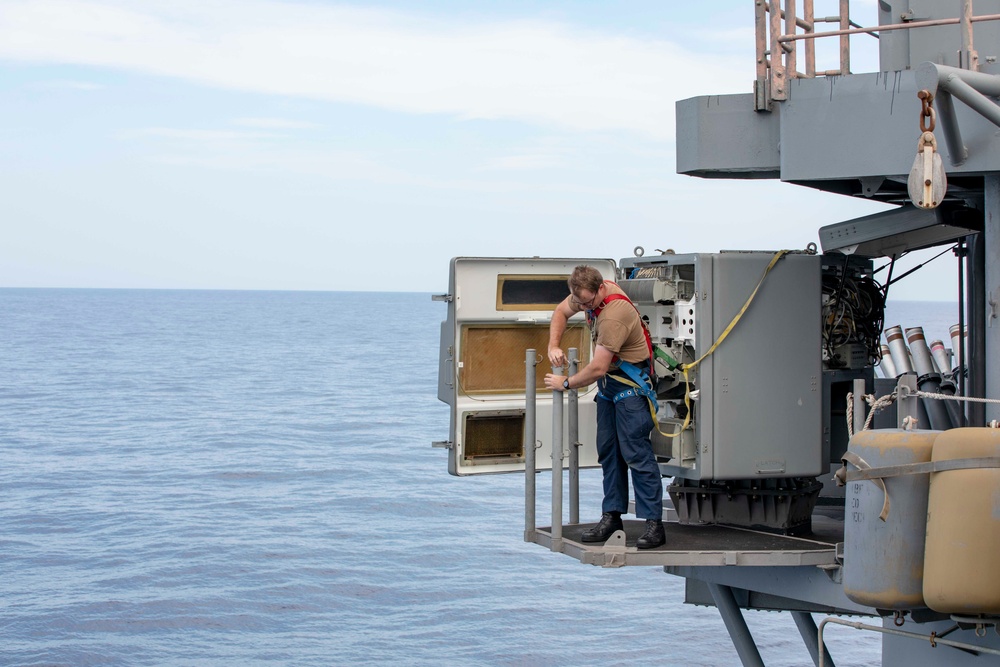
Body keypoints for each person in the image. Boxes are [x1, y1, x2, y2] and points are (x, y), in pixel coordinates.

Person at [543, 265, 665, 549]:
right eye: (580, 302)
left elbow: (598, 368)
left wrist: (566, 383)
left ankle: (654, 524)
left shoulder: (613, 315)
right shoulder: (585, 295)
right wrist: (553, 345)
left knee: (636, 454)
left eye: (587, 302)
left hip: (630, 388)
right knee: (609, 453)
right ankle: (612, 516)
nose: (584, 307)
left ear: (600, 289)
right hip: (610, 388)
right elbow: (560, 312)